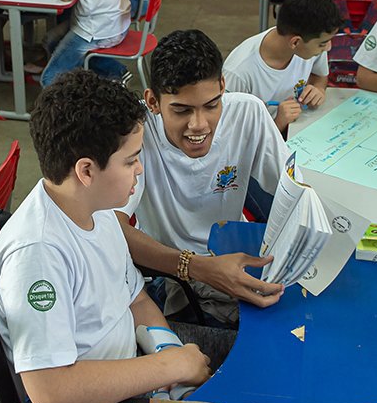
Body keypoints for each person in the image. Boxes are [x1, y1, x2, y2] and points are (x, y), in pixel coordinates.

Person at [0, 70, 212, 403]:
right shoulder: (38, 254)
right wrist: (171, 368)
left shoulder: (98, 209)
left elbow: (135, 300)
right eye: (130, 160)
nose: (139, 169)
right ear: (86, 170)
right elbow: (53, 393)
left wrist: (168, 354)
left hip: (136, 375)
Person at [119, 30, 288, 328]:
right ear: (153, 102)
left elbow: (291, 190)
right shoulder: (137, 135)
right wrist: (198, 268)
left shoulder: (249, 112)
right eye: (181, 110)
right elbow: (112, 229)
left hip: (237, 252)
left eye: (211, 105)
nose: (199, 125)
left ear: (223, 87)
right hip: (171, 272)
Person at [224, 0, 343, 136]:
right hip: (262, 142)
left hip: (297, 129)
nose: (328, 47)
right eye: (323, 43)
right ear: (295, 42)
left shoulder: (310, 44)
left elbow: (320, 76)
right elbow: (229, 136)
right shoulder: (238, 73)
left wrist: (318, 89)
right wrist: (278, 123)